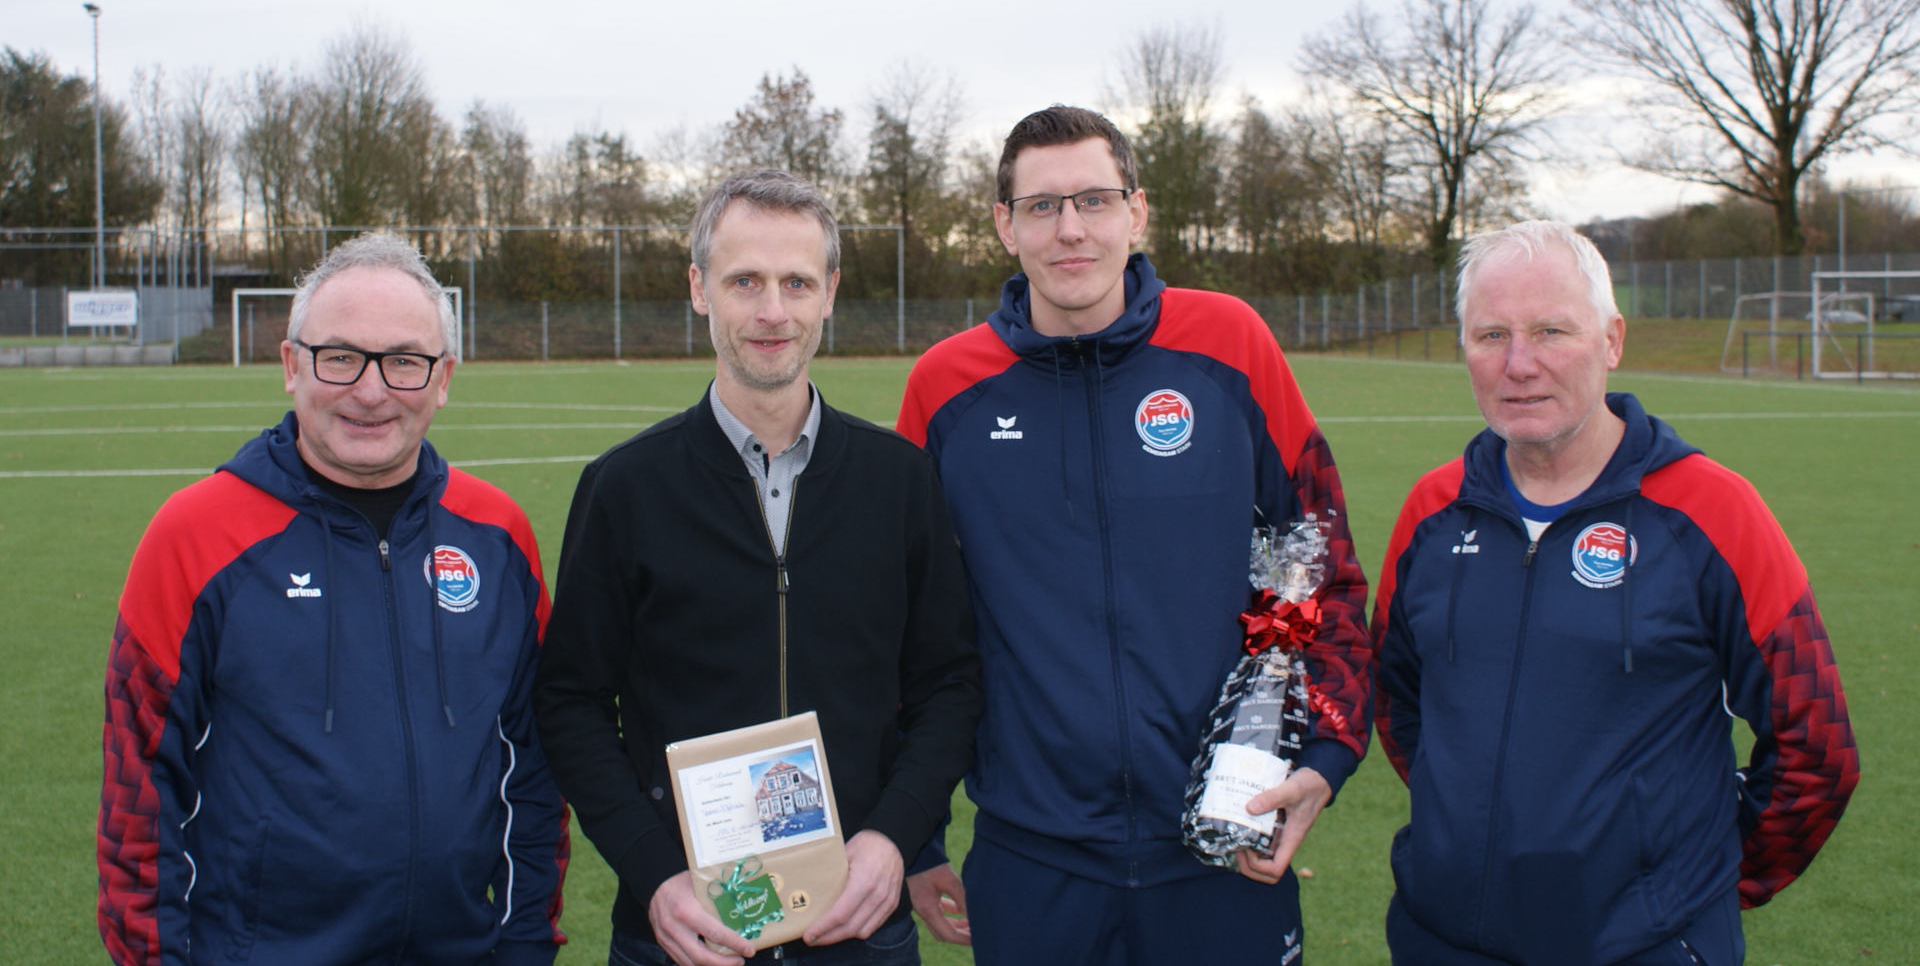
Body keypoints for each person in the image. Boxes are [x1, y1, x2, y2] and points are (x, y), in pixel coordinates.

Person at [895, 105, 1373, 964]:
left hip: (1223, 840)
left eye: (1094, 200)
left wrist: (1330, 752)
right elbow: (905, 630)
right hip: (1031, 858)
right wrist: (916, 837)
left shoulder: (1230, 344)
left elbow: (1322, 559)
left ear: (1137, 212)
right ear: (1005, 225)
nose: (1070, 228)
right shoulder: (946, 389)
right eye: (1041, 206)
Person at [1371, 220, 1860, 965]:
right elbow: (1402, 708)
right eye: (1491, 334)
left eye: (1551, 331)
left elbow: (1815, 743)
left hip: (1644, 945)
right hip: (1442, 938)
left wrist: (1696, 888)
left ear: (1612, 340)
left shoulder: (1714, 512)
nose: (1520, 364)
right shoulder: (1431, 513)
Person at [533, 168, 983, 966]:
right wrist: (654, 873)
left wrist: (891, 839)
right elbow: (571, 701)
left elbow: (950, 684)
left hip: (858, 929)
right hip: (680, 933)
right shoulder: (624, 488)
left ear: (830, 292)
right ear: (700, 288)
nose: (772, 311)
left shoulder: (900, 480)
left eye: (796, 282)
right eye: (745, 281)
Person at [97, 234, 570, 965]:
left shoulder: (497, 534)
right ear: (291, 365)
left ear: (442, 378)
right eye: (340, 356)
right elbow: (138, 803)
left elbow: (533, 774)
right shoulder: (193, 536)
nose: (372, 391)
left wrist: (523, 946)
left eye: (404, 361)